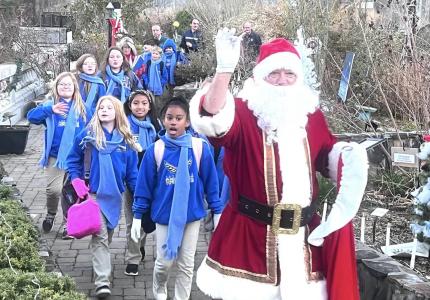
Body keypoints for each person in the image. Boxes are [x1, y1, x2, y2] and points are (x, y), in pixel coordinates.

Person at [189, 29, 368, 300]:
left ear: (298, 79)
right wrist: (224, 69)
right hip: (251, 243)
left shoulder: (311, 115)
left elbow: (325, 155)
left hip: (304, 246)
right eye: (274, 74)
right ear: (260, 77)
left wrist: (348, 156)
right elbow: (211, 117)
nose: (282, 81)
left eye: (289, 74)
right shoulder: (243, 112)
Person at [130, 97, 223, 300]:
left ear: (187, 122)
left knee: (186, 264)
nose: (173, 122)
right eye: (169, 117)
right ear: (163, 120)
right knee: (164, 262)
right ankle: (160, 288)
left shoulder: (199, 148)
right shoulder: (155, 150)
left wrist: (217, 211)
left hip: (191, 215)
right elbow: (143, 186)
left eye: (179, 118)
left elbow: (211, 183)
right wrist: (137, 215)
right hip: (164, 215)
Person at [66, 95, 141, 299]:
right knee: (99, 237)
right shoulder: (87, 136)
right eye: (101, 107)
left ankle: (100, 264)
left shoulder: (125, 141)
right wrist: (76, 180)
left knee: (106, 235)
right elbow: (72, 160)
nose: (104, 110)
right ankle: (102, 282)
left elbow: (132, 173)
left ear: (117, 112)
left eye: (109, 107)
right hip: (93, 194)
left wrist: (137, 195)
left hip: (114, 196)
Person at [27, 72, 87, 238]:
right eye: (62, 84)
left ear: (75, 87)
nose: (65, 87)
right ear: (56, 87)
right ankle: (51, 213)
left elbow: (92, 127)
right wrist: (49, 110)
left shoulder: (82, 107)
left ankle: (69, 224)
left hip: (76, 158)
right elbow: (31, 117)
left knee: (72, 192)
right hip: (56, 156)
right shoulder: (50, 105)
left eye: (69, 84)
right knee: (54, 190)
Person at [123, 90, 161, 276]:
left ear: (150, 105)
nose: (140, 107)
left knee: (145, 217)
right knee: (132, 219)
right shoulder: (123, 124)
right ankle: (132, 258)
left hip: (150, 178)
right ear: (130, 106)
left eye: (144, 103)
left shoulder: (155, 125)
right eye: (136, 103)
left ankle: (139, 245)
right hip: (130, 178)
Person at [142, 46, 168, 114]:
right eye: (153, 53)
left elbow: (165, 76)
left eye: (156, 54)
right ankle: (151, 116)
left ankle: (158, 116)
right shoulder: (148, 63)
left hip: (159, 88)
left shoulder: (161, 64)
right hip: (150, 87)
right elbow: (144, 74)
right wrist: (147, 82)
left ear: (160, 55)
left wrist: (161, 83)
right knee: (150, 103)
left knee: (158, 104)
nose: (154, 55)